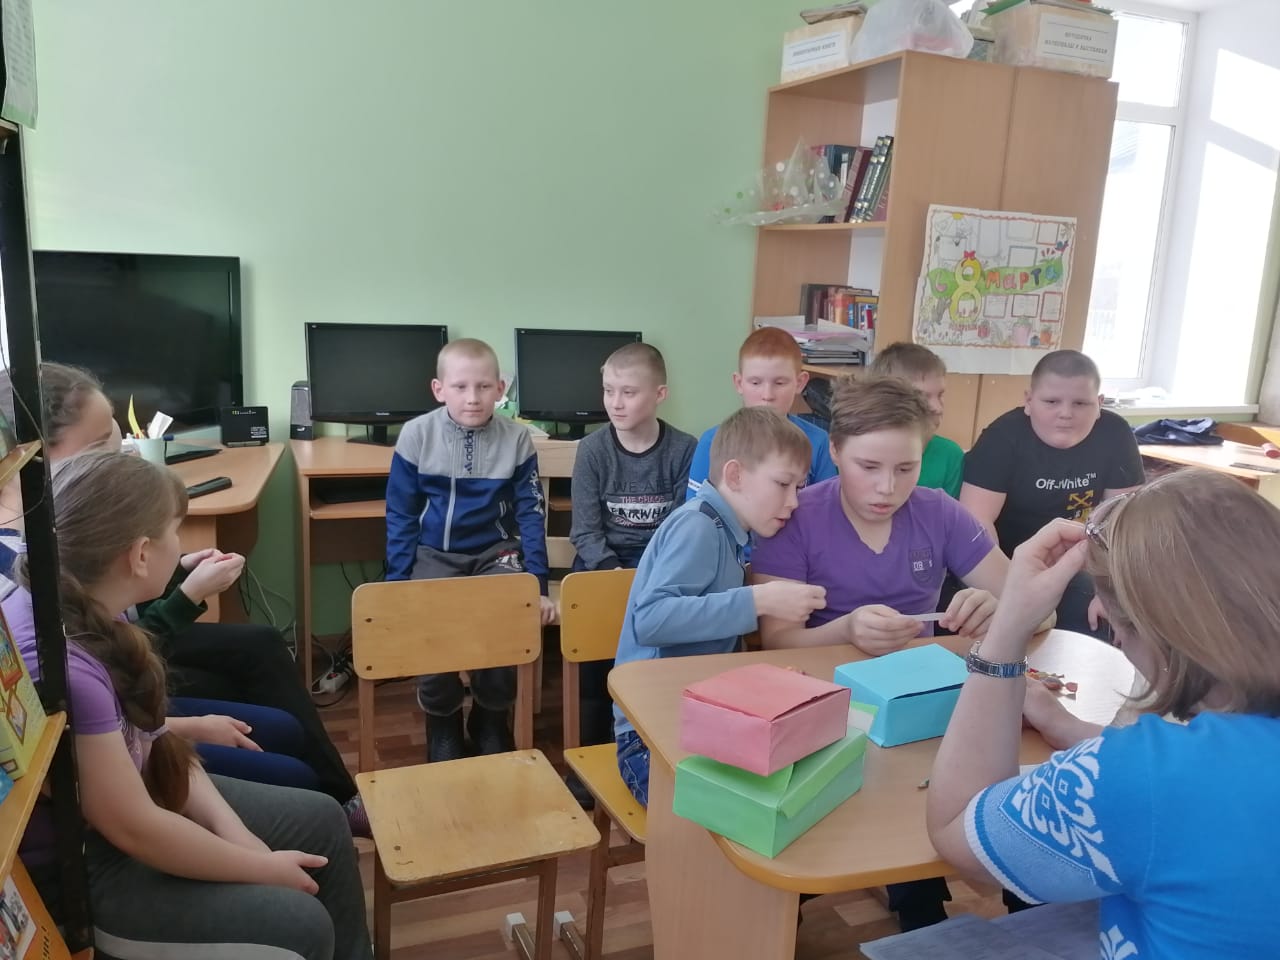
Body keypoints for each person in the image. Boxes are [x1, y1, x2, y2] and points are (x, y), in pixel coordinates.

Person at [10, 451, 371, 959]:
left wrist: (236, 835)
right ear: (140, 555)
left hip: (131, 813)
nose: (181, 544)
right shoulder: (66, 664)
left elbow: (157, 743)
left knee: (323, 818)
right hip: (87, 876)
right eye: (175, 530)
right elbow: (135, 829)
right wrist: (259, 866)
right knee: (301, 922)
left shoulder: (91, 604)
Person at [927, 469, 1280, 959]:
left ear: (1137, 627)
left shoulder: (1140, 774)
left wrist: (1008, 628)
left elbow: (955, 829)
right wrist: (1071, 728)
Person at [28, 363, 367, 832]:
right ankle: (316, 807)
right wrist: (187, 596)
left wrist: (176, 572)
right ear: (35, 454)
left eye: (117, 439)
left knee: (261, 646)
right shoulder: (36, 557)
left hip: (127, 666)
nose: (121, 454)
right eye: (100, 444)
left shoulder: (71, 522)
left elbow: (119, 605)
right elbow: (114, 647)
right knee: (251, 700)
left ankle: (338, 800)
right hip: (123, 684)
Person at [750, 376, 1008, 931]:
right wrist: (844, 630)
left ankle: (929, 896)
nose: (887, 487)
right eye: (868, 466)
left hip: (921, 704)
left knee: (961, 767)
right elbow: (777, 642)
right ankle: (899, 894)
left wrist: (995, 607)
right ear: (835, 450)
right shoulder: (796, 517)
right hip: (823, 703)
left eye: (906, 469)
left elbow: (1029, 605)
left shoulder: (939, 512)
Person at [613, 407, 826, 807]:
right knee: (734, 814)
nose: (794, 501)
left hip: (695, 721)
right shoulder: (699, 526)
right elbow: (652, 620)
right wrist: (759, 599)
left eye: (799, 487)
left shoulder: (730, 531)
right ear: (735, 475)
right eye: (783, 484)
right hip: (649, 736)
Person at [385, 338, 555, 761]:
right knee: (433, 627)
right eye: (460, 387)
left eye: (483, 387)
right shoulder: (416, 435)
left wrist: (537, 584)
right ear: (439, 389)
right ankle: (442, 721)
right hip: (434, 554)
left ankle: (490, 717)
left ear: (500, 389)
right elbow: (401, 514)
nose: (473, 398)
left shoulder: (517, 439)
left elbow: (532, 513)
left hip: (496, 553)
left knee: (504, 617)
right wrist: (397, 583)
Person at [959, 349, 1143, 636]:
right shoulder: (1003, 437)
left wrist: (1111, 590)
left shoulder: (1115, 433)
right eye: (1051, 402)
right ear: (1029, 401)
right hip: (1005, 565)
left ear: (1099, 404)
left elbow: (1124, 524)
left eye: (1080, 403)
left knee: (1111, 622)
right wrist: (1010, 592)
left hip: (1079, 566)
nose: (1065, 414)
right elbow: (974, 526)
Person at [568, 343, 695, 753]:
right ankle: (592, 750)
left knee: (660, 661)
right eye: (609, 391)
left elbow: (684, 528)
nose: (615, 403)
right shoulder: (592, 450)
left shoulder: (684, 450)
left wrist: (651, 577)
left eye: (628, 392)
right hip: (603, 568)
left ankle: (652, 747)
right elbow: (585, 532)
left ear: (660, 394)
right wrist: (615, 575)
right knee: (594, 670)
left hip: (660, 569)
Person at [685, 327, 837, 497]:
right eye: (755, 383)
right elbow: (696, 508)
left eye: (779, 383)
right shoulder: (712, 442)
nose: (767, 395)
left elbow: (826, 506)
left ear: (800, 383)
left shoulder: (818, 441)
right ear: (739, 383)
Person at [868, 342, 963, 498]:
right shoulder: (857, 451)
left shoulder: (950, 456)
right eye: (921, 397)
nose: (937, 408)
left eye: (940, 395)